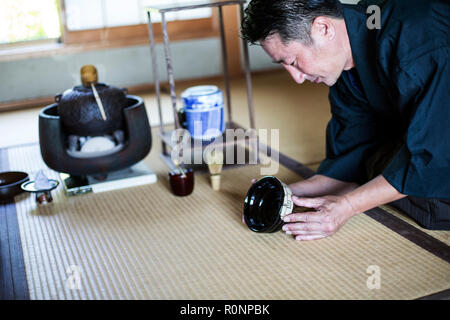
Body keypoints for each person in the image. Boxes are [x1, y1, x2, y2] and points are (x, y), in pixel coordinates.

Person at [241, 0, 450, 240]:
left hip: (442, 142)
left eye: (293, 62)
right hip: (422, 139)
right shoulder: (344, 62)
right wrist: (287, 193)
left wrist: (348, 206)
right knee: (375, 165)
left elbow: (434, 151)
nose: (297, 78)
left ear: (323, 28)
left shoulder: (418, 35)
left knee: (427, 194)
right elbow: (352, 154)